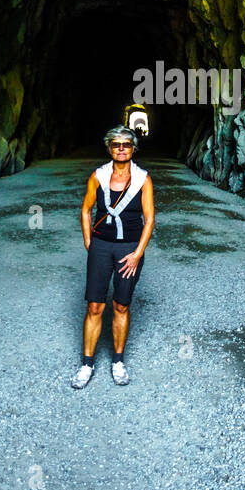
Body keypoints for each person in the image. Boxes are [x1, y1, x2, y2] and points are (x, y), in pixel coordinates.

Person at [72, 126, 155, 389]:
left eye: (126, 145)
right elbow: (85, 210)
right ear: (109, 148)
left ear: (133, 148)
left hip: (129, 248)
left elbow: (150, 219)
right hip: (101, 245)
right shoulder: (98, 176)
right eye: (116, 144)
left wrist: (137, 254)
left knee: (121, 305)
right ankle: (87, 364)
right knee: (95, 306)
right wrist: (89, 242)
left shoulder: (143, 179)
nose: (121, 149)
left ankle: (118, 361)